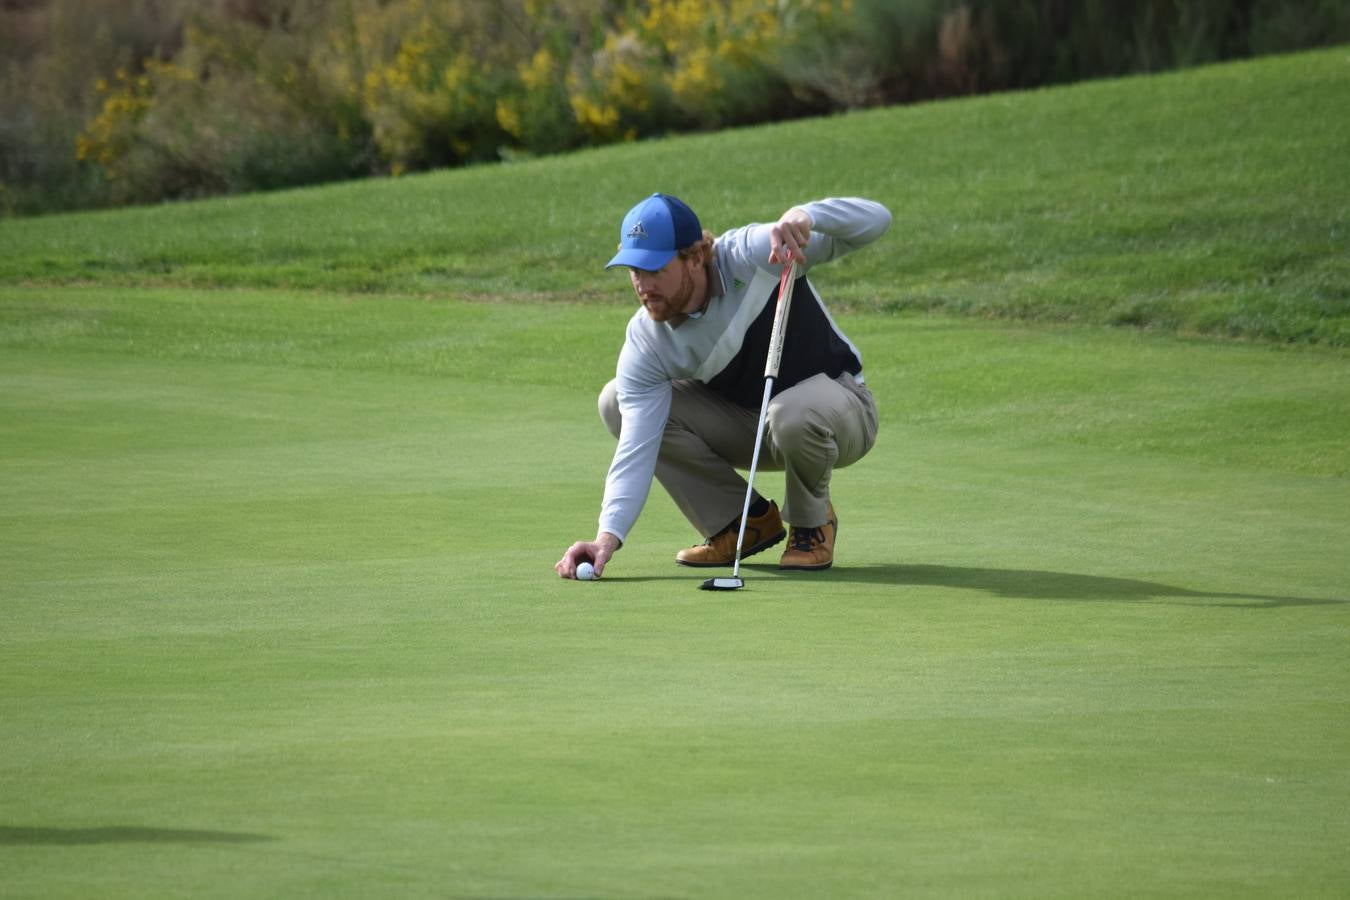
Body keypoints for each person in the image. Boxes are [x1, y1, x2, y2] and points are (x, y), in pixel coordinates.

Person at [554, 193, 891, 580]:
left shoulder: (755, 254)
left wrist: (806, 216)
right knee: (616, 401)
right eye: (635, 271)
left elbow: (876, 219)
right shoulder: (647, 339)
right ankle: (741, 524)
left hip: (843, 411)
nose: (643, 285)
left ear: (695, 257)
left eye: (655, 270)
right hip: (754, 426)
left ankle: (811, 524)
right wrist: (606, 538)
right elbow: (636, 447)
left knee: (792, 413)